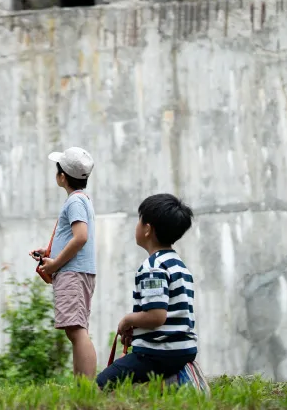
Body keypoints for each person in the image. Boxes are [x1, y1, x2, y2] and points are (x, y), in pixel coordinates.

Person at [96, 193, 197, 390]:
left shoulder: (153, 267)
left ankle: (168, 382)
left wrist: (128, 320)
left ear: (147, 229)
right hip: (183, 349)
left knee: (101, 384)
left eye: (139, 221)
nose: (137, 226)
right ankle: (169, 383)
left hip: (158, 353)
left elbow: (156, 316)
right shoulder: (179, 265)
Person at [31, 147, 97, 378]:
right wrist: (49, 251)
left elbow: (80, 237)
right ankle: (82, 385)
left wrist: (55, 263)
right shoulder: (80, 200)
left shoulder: (74, 203)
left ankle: (87, 387)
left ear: (62, 177)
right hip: (76, 271)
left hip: (72, 272)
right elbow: (73, 237)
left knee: (77, 331)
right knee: (75, 330)